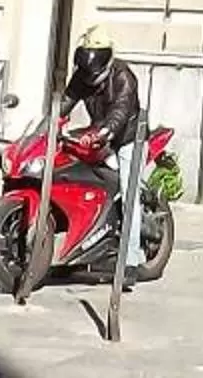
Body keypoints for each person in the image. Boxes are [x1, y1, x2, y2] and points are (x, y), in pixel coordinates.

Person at [62, 26, 146, 271]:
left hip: (127, 137)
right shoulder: (82, 76)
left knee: (129, 193)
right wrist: (48, 124)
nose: (89, 74)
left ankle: (130, 260)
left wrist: (105, 132)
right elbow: (66, 101)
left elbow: (120, 110)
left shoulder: (123, 76)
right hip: (97, 132)